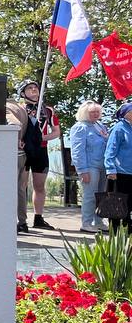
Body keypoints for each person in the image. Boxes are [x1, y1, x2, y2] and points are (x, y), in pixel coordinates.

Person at [17, 79, 59, 230]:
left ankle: (38, 218)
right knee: (21, 185)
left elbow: (56, 132)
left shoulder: (48, 110)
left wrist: (42, 138)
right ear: (23, 93)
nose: (34, 89)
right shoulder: (19, 108)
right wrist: (19, 140)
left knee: (39, 185)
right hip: (24, 150)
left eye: (36, 87)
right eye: (29, 88)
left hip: (41, 150)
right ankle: (21, 221)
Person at [70, 100, 110, 233]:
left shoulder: (100, 126)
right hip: (90, 166)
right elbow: (77, 151)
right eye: (92, 112)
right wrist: (82, 170)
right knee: (90, 195)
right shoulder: (80, 127)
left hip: (103, 165)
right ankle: (86, 223)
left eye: (98, 111)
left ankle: (98, 221)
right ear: (84, 113)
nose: (96, 114)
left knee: (102, 195)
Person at [104, 101, 132, 233]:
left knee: (129, 205)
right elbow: (110, 150)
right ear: (126, 114)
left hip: (131, 173)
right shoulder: (119, 128)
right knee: (117, 205)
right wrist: (110, 169)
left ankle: (127, 232)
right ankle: (114, 233)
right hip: (120, 173)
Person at [5, 94, 31, 234]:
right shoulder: (20, 107)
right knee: (20, 189)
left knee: (9, 189)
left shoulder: (6, 107)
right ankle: (22, 222)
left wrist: (15, 139)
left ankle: (9, 222)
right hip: (22, 154)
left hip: (11, 154)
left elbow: (14, 124)